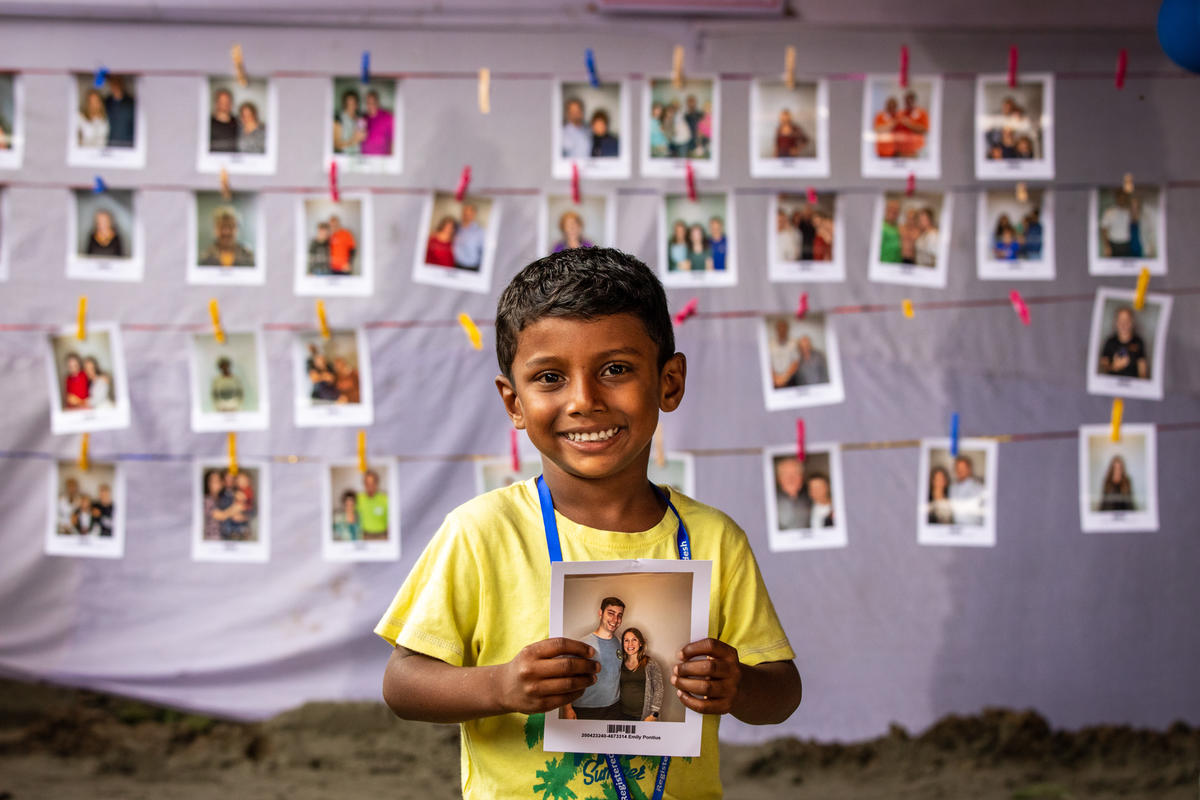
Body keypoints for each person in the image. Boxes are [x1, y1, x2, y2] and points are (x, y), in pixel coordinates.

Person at [377, 247, 801, 799]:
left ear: (669, 382)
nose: (584, 401)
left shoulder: (714, 539)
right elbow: (402, 683)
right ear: (514, 402)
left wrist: (737, 685)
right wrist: (500, 685)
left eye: (615, 369)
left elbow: (782, 692)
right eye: (550, 377)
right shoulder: (480, 532)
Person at [561, 597, 626, 720]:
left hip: (614, 708)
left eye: (619, 615)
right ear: (600, 613)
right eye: (611, 613)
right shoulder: (582, 644)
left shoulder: (620, 643)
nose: (615, 619)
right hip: (585, 709)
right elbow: (567, 678)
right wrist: (567, 709)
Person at [617, 627, 664, 722]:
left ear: (641, 643)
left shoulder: (651, 664)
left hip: (644, 716)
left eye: (634, 640)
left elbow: (659, 689)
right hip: (621, 714)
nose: (630, 644)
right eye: (626, 640)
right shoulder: (619, 663)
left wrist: (654, 714)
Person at [1099, 306, 1148, 379]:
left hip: (1133, 383)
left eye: (1127, 320)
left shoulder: (1138, 341)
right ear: (1116, 322)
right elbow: (1103, 367)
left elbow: (1142, 370)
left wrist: (1141, 384)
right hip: (1112, 382)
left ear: (1132, 322)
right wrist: (1114, 367)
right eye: (1121, 320)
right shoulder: (1110, 342)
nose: (1124, 323)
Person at [774, 455, 811, 529]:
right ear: (778, 479)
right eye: (785, 474)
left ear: (802, 477)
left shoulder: (812, 497)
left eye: (795, 473)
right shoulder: (771, 502)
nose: (791, 478)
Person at [948, 456, 986, 526]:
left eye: (963, 468)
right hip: (955, 528)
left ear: (969, 469)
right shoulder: (951, 488)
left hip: (974, 528)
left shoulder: (980, 488)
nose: (960, 471)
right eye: (958, 468)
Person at [1100, 190, 1136, 258]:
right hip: (1113, 243)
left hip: (1126, 244)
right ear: (1117, 198)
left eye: (1124, 198)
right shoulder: (1109, 212)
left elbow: (1135, 220)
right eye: (1120, 198)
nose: (1122, 200)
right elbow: (1104, 229)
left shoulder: (1128, 211)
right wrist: (1107, 246)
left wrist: (1133, 204)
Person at [894, 90, 929, 159]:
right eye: (906, 101)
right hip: (901, 151)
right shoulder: (900, 114)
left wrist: (908, 124)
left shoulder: (922, 113)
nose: (908, 103)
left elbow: (924, 130)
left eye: (910, 101)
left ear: (914, 101)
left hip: (916, 151)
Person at [103, 75, 135, 148]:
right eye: (113, 83)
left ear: (122, 84)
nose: (115, 86)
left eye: (117, 83)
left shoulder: (131, 103)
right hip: (110, 145)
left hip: (127, 145)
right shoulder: (106, 102)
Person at [357, 469, 389, 540]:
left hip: (382, 536)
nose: (370, 487)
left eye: (372, 483)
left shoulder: (385, 499)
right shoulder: (359, 498)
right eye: (367, 483)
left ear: (377, 483)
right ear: (364, 484)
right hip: (365, 536)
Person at [360, 90, 393, 156]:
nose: (371, 105)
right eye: (368, 103)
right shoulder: (363, 118)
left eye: (373, 103)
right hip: (365, 158)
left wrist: (391, 158)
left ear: (378, 102)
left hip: (382, 158)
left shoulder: (387, 117)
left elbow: (393, 141)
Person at [453, 203, 485, 270]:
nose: (466, 216)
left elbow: (484, 252)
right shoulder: (456, 227)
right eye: (464, 213)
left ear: (474, 215)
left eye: (469, 214)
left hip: (471, 267)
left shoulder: (480, 232)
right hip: (455, 265)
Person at [769, 318, 799, 389]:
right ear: (776, 330)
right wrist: (775, 378)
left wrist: (785, 378)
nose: (782, 330)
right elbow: (768, 363)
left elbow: (795, 362)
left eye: (784, 328)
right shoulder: (770, 344)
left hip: (789, 380)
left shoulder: (793, 343)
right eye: (780, 328)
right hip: (774, 380)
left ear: (787, 329)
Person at [333, 89, 364, 154]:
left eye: (354, 103)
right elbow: (336, 145)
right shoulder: (338, 119)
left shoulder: (360, 119)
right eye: (349, 104)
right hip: (343, 156)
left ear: (357, 104)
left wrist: (363, 136)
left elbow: (361, 138)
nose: (352, 106)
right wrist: (353, 141)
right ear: (345, 104)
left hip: (358, 155)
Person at [209, 87, 239, 153]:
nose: (225, 104)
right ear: (217, 103)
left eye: (228, 101)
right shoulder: (208, 123)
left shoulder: (238, 122)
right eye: (222, 101)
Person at [879, 198, 902, 263]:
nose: (893, 213)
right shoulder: (880, 226)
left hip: (896, 264)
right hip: (884, 263)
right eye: (890, 210)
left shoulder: (897, 227)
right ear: (886, 210)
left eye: (896, 212)